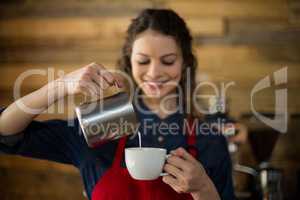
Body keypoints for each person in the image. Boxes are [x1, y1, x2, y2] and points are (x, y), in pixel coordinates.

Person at [0, 9, 235, 200]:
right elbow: (5, 134)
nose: (154, 72)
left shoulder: (209, 139)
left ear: (184, 64)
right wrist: (60, 85)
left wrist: (203, 188)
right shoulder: (102, 123)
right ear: (129, 62)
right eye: (143, 61)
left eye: (168, 61)